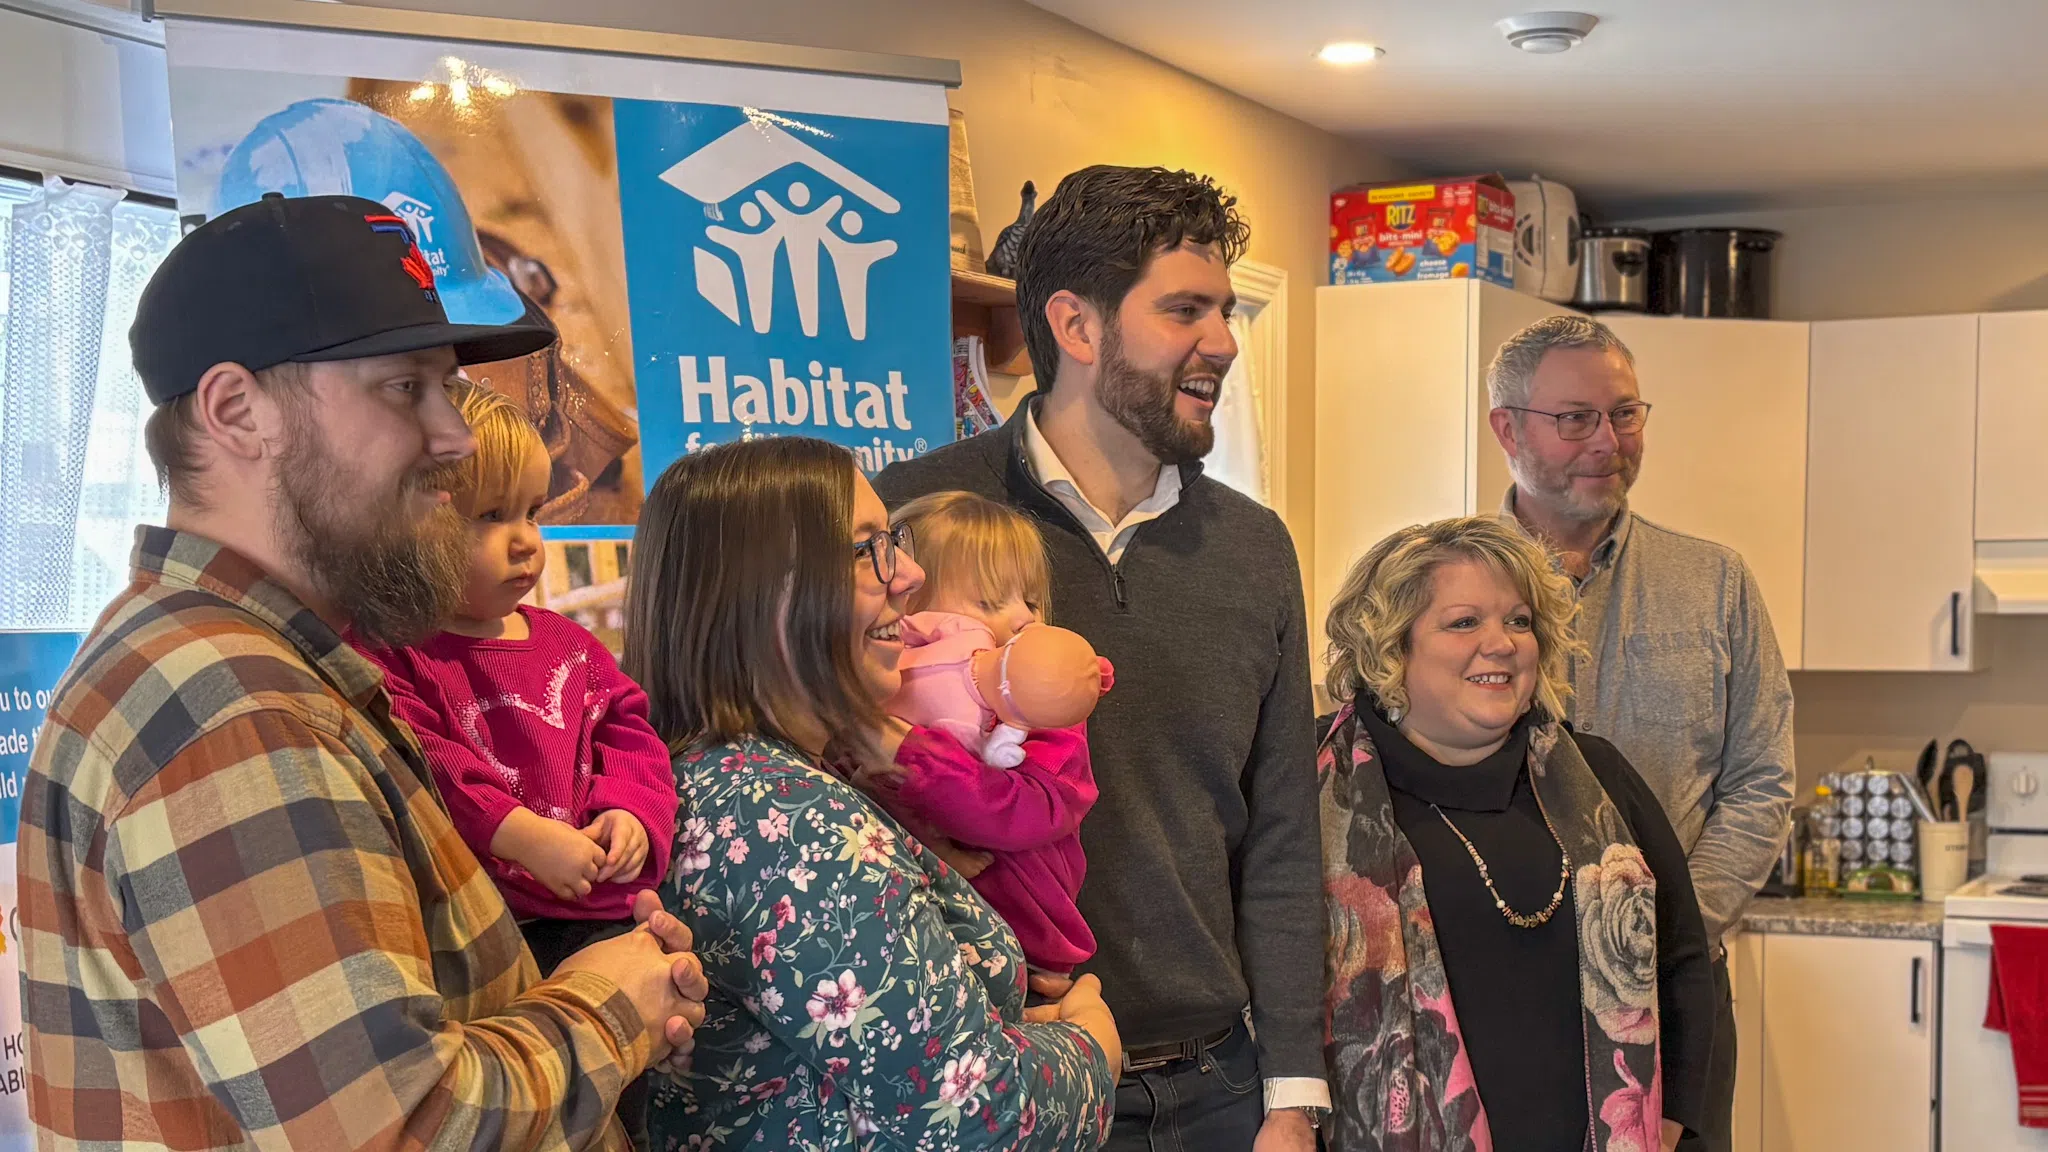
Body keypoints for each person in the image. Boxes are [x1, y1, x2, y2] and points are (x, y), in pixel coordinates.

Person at [18, 193, 707, 1151]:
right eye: (403, 387)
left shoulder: (267, 668)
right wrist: (611, 1004)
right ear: (235, 410)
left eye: (449, 390)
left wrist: (592, 1005)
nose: (457, 436)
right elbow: (407, 1126)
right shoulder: (234, 715)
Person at [876, 165, 1326, 1151]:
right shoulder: (912, 515)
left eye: (1224, 311)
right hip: (1004, 1076)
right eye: (1183, 311)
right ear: (1076, 327)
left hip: (1218, 1088)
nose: (1221, 342)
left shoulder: (1253, 548)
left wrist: (1292, 1093)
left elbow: (1284, 833)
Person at [625, 437, 1121, 1150]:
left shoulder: (756, 782)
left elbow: (881, 1063)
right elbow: (978, 1120)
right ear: (766, 593)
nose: (910, 574)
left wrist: (1010, 1040)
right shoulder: (785, 820)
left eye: (892, 542)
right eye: (868, 551)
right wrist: (1089, 1049)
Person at [1485, 315, 1796, 1152]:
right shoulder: (1445, 586)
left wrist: (1666, 936)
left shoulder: (1716, 582)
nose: (1608, 441)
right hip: (1504, 989)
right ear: (1506, 428)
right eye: (1576, 418)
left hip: (1680, 997)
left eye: (1625, 414)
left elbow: (1761, 783)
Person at [1318, 515, 1714, 1152]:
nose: (1502, 643)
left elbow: (1684, 958)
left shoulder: (1599, 776)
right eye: (1464, 622)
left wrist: (1667, 1129)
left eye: (1520, 621)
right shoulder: (1312, 788)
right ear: (1392, 647)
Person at [356, 381, 676, 973]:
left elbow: (628, 733)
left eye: (532, 511)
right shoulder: (396, 655)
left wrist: (628, 811)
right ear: (409, 525)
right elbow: (427, 764)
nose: (528, 540)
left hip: (598, 906)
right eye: (491, 516)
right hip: (484, 928)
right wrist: (523, 836)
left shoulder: (568, 644)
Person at [855, 489, 1103, 980]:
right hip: (915, 948)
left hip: (1031, 944)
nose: (1023, 617)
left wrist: (906, 753)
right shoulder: (879, 693)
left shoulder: (1050, 710)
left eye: (1030, 600)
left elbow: (1029, 812)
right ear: (912, 610)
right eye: (990, 601)